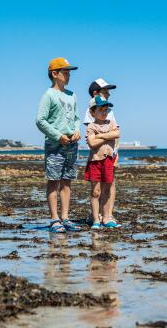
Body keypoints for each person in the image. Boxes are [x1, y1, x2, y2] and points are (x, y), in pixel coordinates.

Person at [36, 58, 82, 233]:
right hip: (55, 144)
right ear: (54, 74)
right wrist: (57, 136)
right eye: (65, 72)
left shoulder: (72, 95)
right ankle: (54, 219)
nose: (68, 75)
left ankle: (65, 218)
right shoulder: (48, 95)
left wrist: (77, 130)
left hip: (72, 144)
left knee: (67, 181)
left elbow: (76, 118)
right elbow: (40, 120)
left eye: (69, 72)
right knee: (53, 181)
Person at [83, 79, 121, 226]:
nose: (109, 93)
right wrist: (107, 136)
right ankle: (96, 217)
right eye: (105, 91)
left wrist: (115, 152)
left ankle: (108, 216)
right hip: (96, 158)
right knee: (97, 189)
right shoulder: (91, 113)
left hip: (110, 155)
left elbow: (116, 133)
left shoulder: (109, 114)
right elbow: (92, 141)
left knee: (109, 186)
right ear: (95, 93)